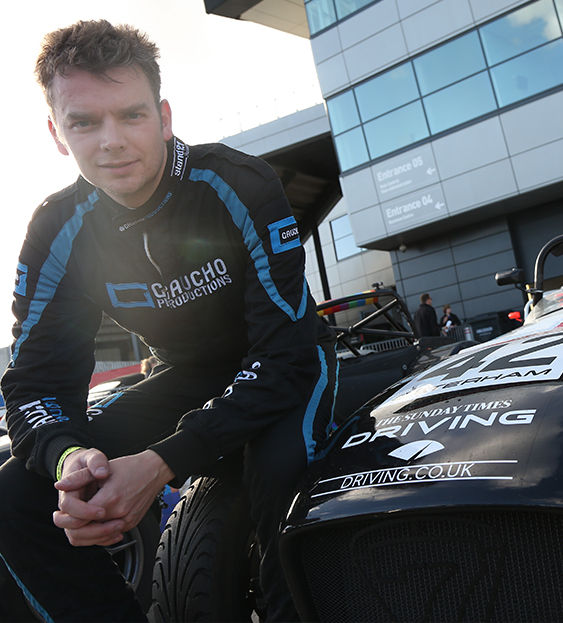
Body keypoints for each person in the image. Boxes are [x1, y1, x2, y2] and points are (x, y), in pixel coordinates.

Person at [0, 20, 339, 622]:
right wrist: (70, 458)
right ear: (57, 133)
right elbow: (34, 385)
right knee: (15, 496)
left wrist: (159, 465)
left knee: (278, 473)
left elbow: (285, 354)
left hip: (284, 368)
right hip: (189, 376)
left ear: (163, 116)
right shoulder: (56, 229)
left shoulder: (239, 182)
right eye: (84, 122)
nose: (112, 142)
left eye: (131, 115)